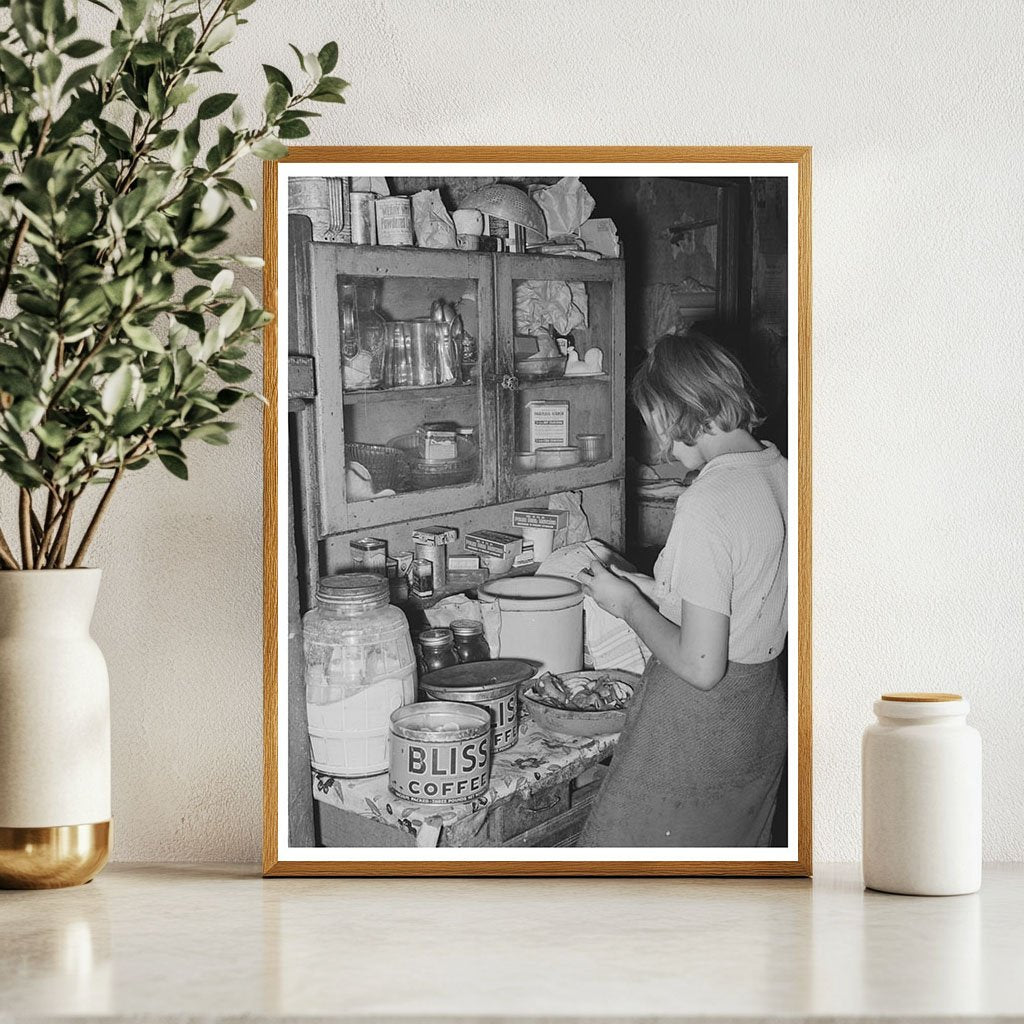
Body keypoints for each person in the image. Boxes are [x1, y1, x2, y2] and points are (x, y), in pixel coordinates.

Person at [577, 331, 788, 847]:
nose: (661, 446)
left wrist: (626, 604)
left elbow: (701, 665)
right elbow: (745, 592)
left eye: (659, 428)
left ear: (682, 412)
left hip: (698, 726)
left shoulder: (709, 499)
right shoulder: (782, 471)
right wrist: (650, 588)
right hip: (760, 713)